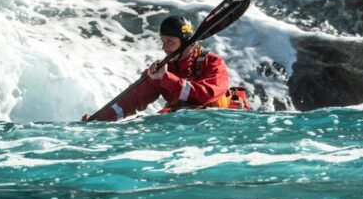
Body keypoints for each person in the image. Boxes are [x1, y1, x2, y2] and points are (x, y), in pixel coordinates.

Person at [83, 15, 249, 121]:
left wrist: (166, 79)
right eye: (163, 41)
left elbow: (205, 96)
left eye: (170, 41)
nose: (164, 47)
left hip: (220, 121)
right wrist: (99, 119)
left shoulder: (213, 63)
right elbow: (131, 100)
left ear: (186, 42)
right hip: (190, 125)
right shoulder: (162, 69)